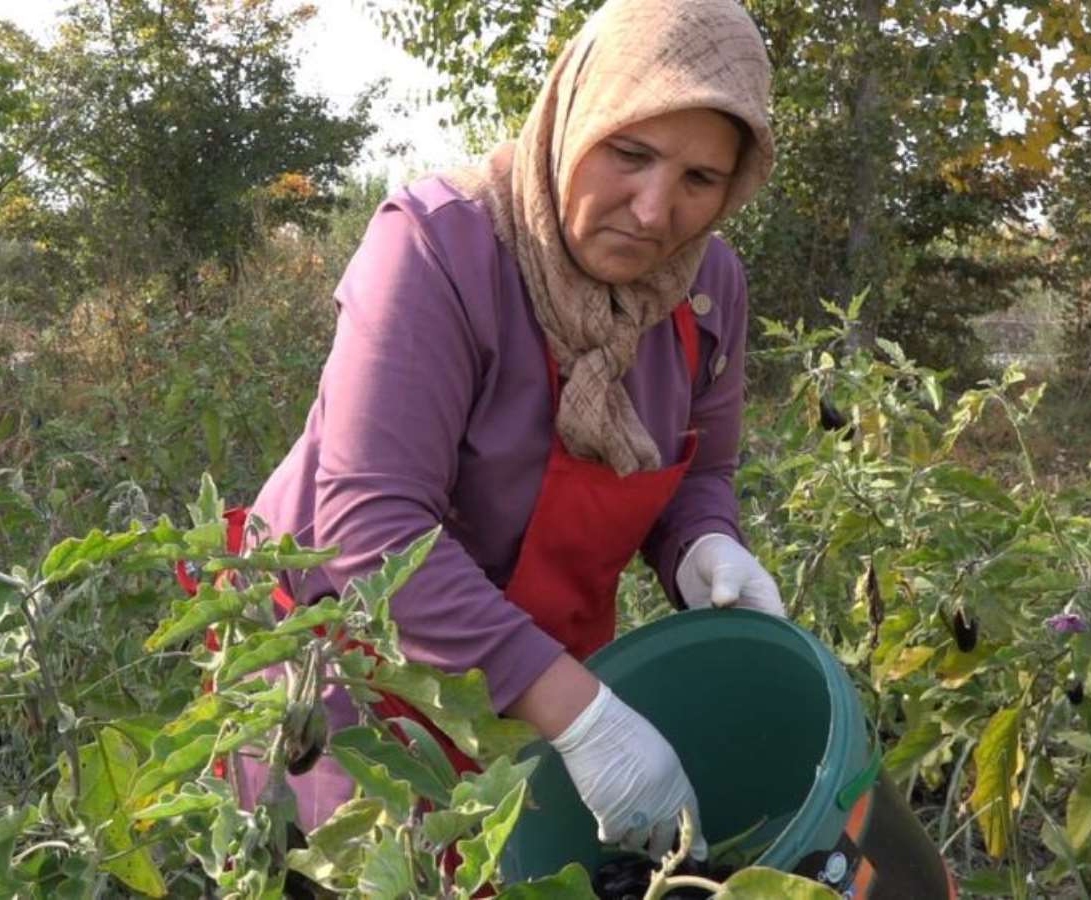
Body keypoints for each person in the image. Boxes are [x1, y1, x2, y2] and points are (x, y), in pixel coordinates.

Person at [233, 0, 783, 865]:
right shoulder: (435, 252)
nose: (651, 212)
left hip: (532, 688)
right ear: (574, 116)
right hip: (353, 680)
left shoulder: (706, 286)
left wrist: (706, 546)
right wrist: (587, 716)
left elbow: (701, 469)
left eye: (699, 181)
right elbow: (375, 532)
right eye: (630, 155)